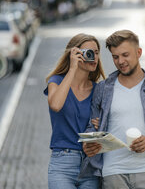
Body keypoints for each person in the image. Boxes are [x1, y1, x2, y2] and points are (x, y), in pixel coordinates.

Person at [80, 30, 145, 188]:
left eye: (125, 55)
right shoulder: (103, 89)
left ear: (139, 52)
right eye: (115, 57)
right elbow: (91, 127)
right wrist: (89, 143)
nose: (120, 61)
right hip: (112, 173)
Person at [43, 33, 105, 189]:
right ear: (74, 54)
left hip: (90, 164)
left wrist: (101, 125)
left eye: (96, 53)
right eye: (88, 53)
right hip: (62, 163)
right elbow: (56, 105)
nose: (94, 57)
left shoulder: (99, 91)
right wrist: (72, 69)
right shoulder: (56, 81)